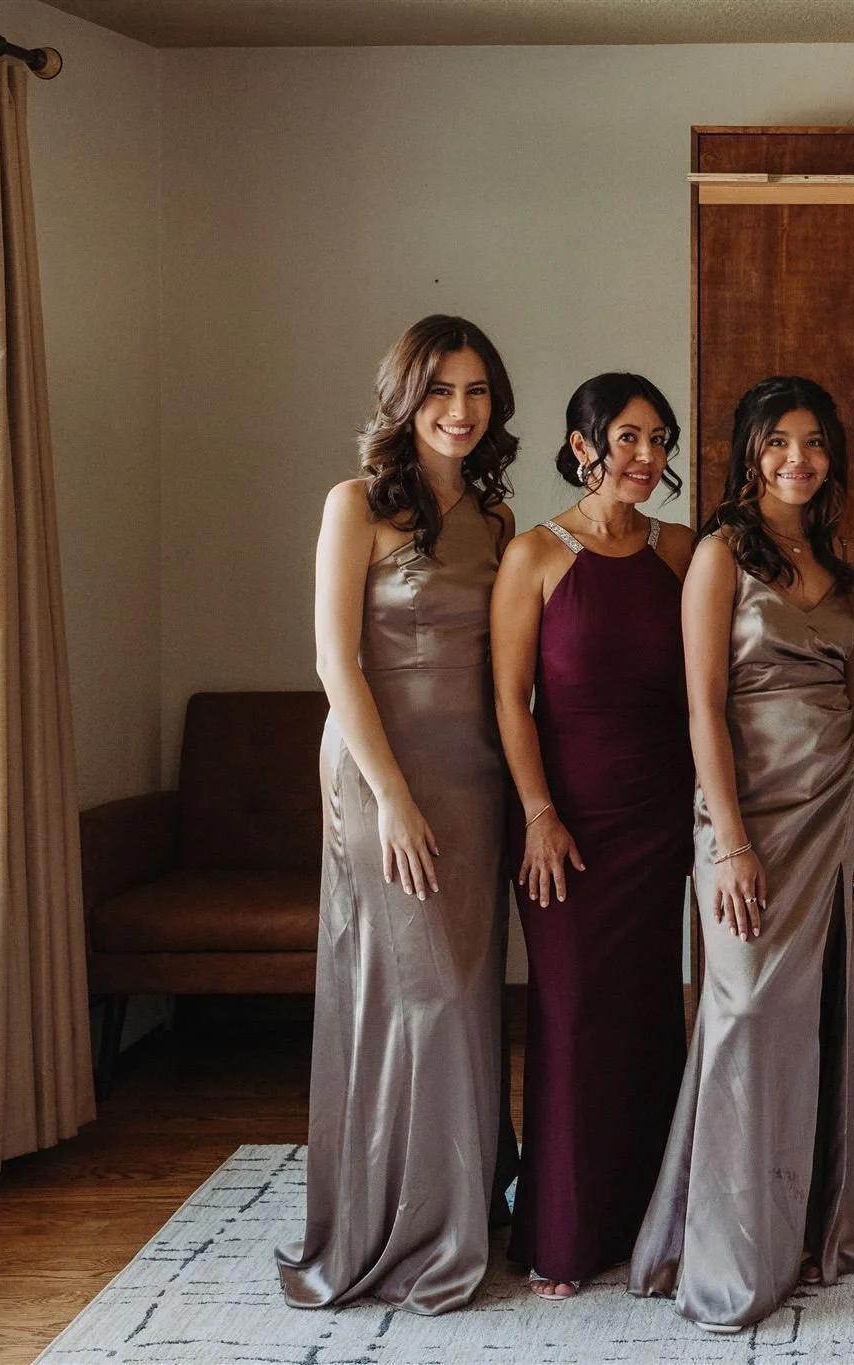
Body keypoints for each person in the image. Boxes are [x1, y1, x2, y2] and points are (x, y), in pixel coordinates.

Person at [631, 376, 854, 1331]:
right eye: (779, 441)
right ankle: (731, 1252)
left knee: (811, 1015)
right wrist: (730, 841)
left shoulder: (841, 560)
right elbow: (703, 703)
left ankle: (816, 1219)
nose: (799, 458)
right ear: (748, 452)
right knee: (742, 1009)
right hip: (746, 816)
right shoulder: (717, 555)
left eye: (814, 441)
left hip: (833, 807)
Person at [280, 315, 518, 1314]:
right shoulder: (354, 505)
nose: (459, 412)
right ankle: (402, 1227)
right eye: (438, 393)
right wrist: (392, 799)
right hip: (383, 774)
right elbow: (336, 662)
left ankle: (463, 1207)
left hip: (475, 776)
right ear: (405, 401)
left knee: (466, 996)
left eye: (475, 392)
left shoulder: (501, 522)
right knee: (409, 995)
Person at [488, 372, 696, 1298]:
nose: (647, 457)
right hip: (564, 823)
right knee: (570, 1020)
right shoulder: (533, 555)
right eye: (628, 439)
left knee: (651, 1013)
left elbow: (707, 695)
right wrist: (537, 813)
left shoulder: (685, 553)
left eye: (659, 439)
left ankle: (654, 1216)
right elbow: (509, 700)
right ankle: (565, 1232)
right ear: (582, 446)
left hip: (661, 818)